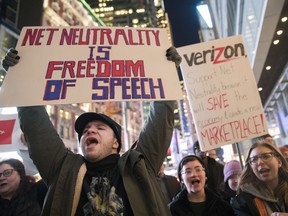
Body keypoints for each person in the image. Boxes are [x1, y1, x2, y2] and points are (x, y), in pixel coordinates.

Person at [2, 47, 181, 215]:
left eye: (100, 128)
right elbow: (35, 125)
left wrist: (166, 72)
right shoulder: (62, 169)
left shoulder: (139, 165)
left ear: (116, 142)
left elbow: (161, 119)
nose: (90, 131)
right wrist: (20, 75)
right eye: (86, 130)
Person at [231, 142, 288, 215]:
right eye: (254, 159)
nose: (260, 162)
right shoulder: (243, 201)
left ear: (279, 162)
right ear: (251, 168)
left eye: (266, 156)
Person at [168, 155, 235, 216]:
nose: (193, 174)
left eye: (198, 169)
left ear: (205, 175)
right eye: (188, 171)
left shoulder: (222, 206)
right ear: (181, 179)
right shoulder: (172, 210)